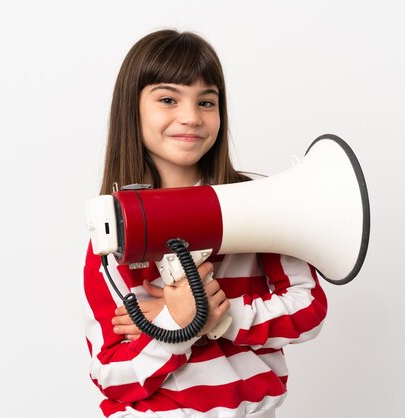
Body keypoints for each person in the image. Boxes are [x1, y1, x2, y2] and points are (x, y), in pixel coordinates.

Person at [83, 29, 328, 418]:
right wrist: (176, 323)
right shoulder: (114, 230)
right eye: (168, 99)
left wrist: (218, 315)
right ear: (133, 109)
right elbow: (112, 375)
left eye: (206, 102)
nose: (191, 117)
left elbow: (308, 310)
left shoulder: (262, 204)